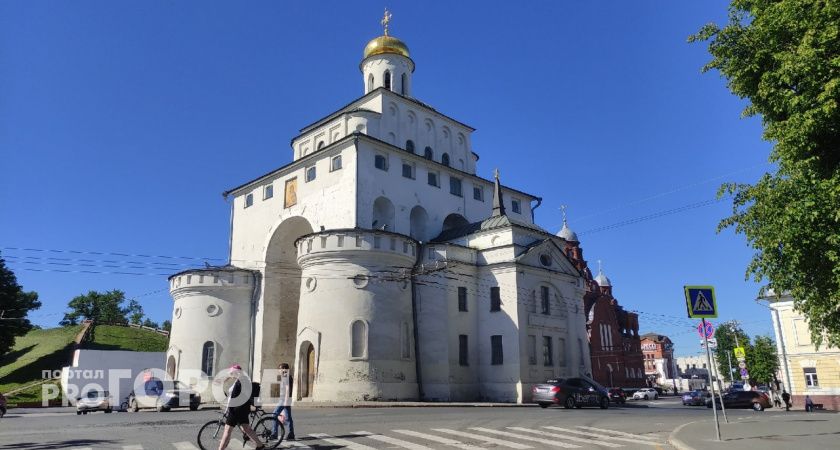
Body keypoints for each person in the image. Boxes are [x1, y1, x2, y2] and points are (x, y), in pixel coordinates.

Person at [218, 364, 264, 450]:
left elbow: (237, 397)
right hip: (241, 409)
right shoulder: (242, 380)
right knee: (246, 429)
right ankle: (260, 445)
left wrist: (230, 408)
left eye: (232, 373)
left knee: (227, 430)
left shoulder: (242, 381)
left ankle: (220, 449)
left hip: (236, 410)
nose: (231, 375)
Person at [272, 363, 295, 441]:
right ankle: (291, 434)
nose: (279, 370)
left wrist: (285, 401)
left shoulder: (286, 377)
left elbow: (288, 389)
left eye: (280, 368)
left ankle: (274, 434)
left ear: (284, 369)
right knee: (288, 417)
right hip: (285, 399)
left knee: (274, 415)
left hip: (284, 399)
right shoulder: (286, 377)